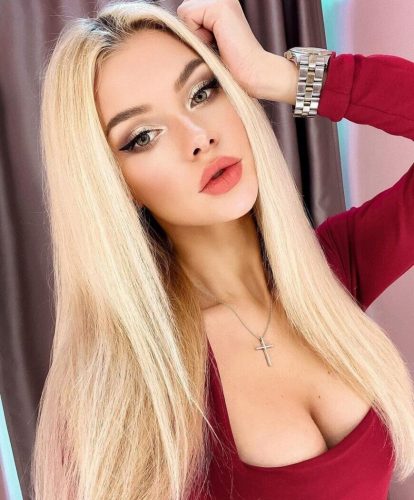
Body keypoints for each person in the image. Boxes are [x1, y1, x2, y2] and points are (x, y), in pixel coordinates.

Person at [31, 0, 414, 498]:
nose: (198, 138)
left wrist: (275, 74)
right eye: (142, 136)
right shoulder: (125, 388)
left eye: (202, 91)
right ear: (113, 184)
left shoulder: (330, 273)